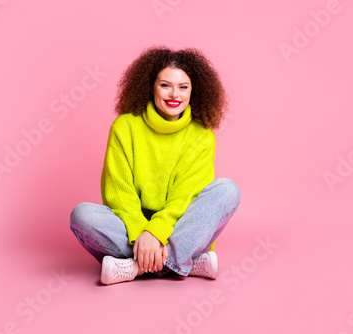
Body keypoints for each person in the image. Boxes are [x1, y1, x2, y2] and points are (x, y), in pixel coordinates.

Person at [70, 46, 241, 285]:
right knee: (83, 215)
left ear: (194, 90)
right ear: (150, 86)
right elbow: (119, 193)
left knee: (227, 190)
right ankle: (184, 261)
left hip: (179, 224)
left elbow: (185, 196)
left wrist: (157, 232)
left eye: (183, 87)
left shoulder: (203, 135)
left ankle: (135, 268)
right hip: (132, 229)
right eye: (165, 85)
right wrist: (144, 233)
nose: (175, 94)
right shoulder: (124, 127)